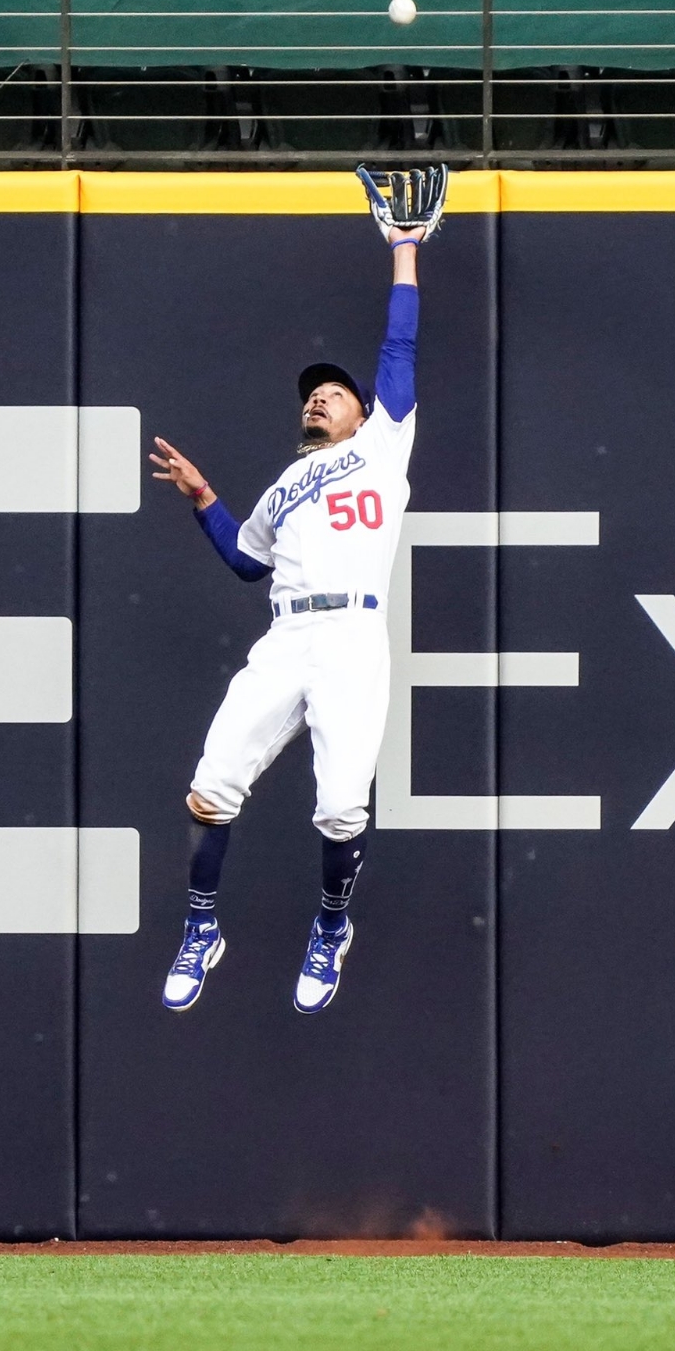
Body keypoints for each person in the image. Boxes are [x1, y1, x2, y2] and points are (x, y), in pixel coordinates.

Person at [150, 219, 427, 1015]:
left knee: (342, 806)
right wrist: (204, 498)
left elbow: (399, 349)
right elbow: (247, 560)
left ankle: (331, 925)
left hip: (350, 639)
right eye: (312, 390)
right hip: (287, 637)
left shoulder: (382, 443)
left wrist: (403, 249)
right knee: (209, 788)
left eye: (333, 391)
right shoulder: (281, 486)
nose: (318, 395)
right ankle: (202, 929)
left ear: (363, 411)